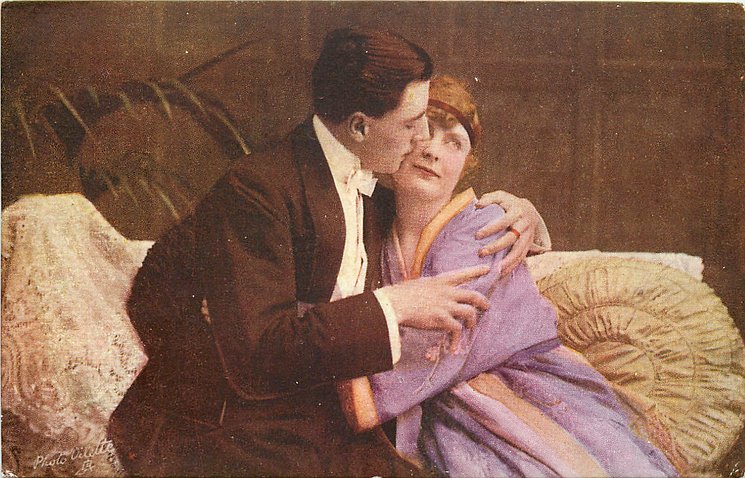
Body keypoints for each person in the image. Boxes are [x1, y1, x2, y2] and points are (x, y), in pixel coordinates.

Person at [109, 28, 547, 477]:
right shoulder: (260, 188)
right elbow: (199, 313)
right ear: (359, 126)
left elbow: (441, 220)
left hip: (323, 419)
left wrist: (525, 213)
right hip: (224, 425)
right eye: (411, 123)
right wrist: (394, 305)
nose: (421, 139)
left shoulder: (374, 183)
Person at [342, 75, 679, 477]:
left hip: (522, 383)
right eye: (424, 131)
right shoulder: (372, 223)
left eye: (454, 144)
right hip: (440, 396)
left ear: (466, 167)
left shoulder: (487, 227)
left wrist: (344, 379)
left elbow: (439, 341)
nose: (432, 151)